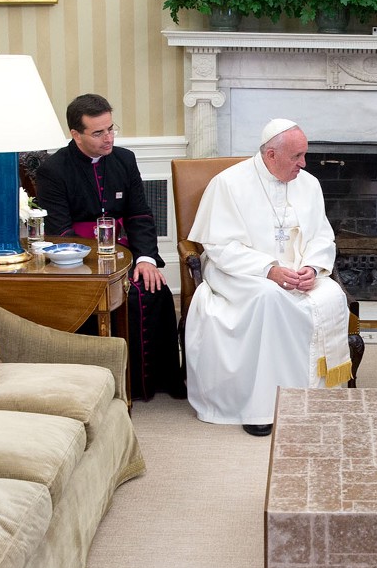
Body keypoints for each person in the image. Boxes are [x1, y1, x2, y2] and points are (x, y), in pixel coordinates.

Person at [184, 118, 353, 435]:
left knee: (330, 296)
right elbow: (219, 246)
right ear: (271, 155)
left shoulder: (309, 184)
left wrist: (312, 268)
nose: (303, 164)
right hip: (239, 272)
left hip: (296, 271)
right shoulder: (229, 184)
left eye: (305, 155)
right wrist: (269, 269)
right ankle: (262, 407)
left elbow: (322, 238)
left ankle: (313, 399)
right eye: (296, 157)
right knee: (270, 298)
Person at [34, 94, 186, 401]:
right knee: (122, 300)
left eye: (111, 128)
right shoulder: (54, 170)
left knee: (154, 288)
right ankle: (117, 386)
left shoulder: (124, 159)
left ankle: (157, 381)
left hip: (126, 251)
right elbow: (60, 231)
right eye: (98, 132)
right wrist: (98, 261)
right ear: (75, 134)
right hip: (80, 260)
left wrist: (145, 258)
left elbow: (140, 214)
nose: (109, 138)